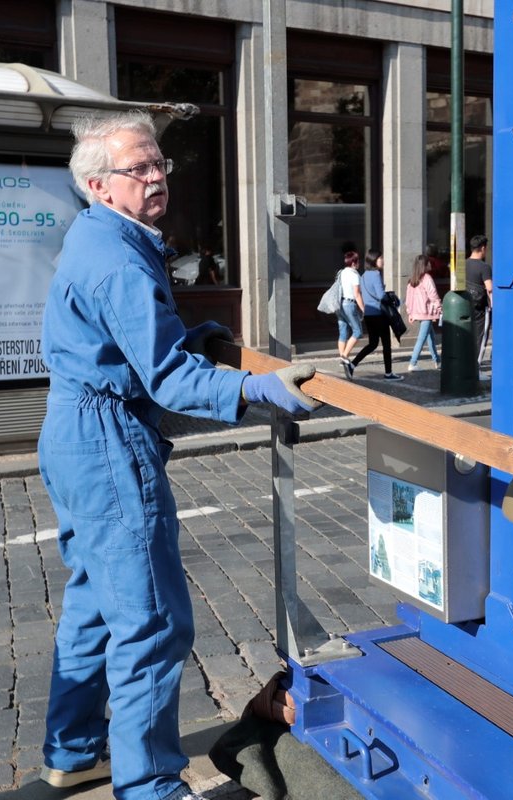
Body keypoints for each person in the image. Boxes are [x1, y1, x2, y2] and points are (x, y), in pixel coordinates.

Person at [37, 110, 321, 800]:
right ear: (101, 185)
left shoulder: (105, 235)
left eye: (160, 162)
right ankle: (151, 786)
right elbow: (164, 377)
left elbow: (132, 346)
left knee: (94, 604)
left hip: (74, 430)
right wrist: (261, 387)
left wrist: (189, 337)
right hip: (107, 440)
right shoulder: (117, 258)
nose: (158, 176)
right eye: (141, 168)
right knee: (153, 620)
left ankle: (73, 751)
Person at [350, 249, 403, 381]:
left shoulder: (364, 275)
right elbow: (381, 296)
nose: (383, 260)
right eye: (380, 258)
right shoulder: (375, 274)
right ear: (374, 260)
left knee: (373, 343)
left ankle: (352, 364)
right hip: (379, 314)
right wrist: (392, 298)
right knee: (386, 344)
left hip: (368, 314)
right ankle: (388, 373)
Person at [405, 253, 441, 371]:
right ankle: (413, 362)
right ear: (424, 265)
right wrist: (439, 309)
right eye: (428, 262)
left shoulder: (412, 280)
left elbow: (408, 299)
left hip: (418, 313)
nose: (430, 264)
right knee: (422, 338)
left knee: (431, 337)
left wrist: (410, 313)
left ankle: (437, 361)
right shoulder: (427, 278)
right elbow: (433, 296)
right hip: (427, 313)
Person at [465, 234, 493, 368]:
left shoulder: (463, 264)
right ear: (483, 248)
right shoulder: (484, 267)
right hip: (480, 308)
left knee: (468, 336)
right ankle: (476, 368)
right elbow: (490, 288)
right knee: (480, 337)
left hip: (465, 305)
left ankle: (468, 364)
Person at [336, 250, 363, 377]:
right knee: (357, 331)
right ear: (354, 262)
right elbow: (357, 294)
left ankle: (342, 357)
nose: (359, 263)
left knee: (343, 331)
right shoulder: (354, 275)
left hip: (340, 304)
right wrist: (363, 309)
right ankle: (344, 356)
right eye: (358, 261)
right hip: (349, 304)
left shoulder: (341, 272)